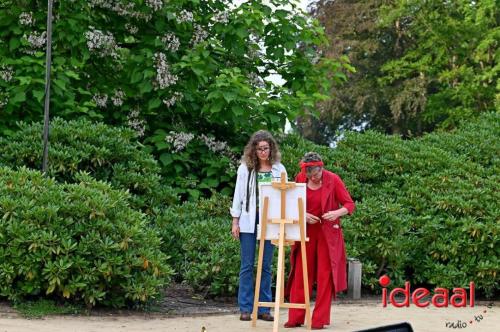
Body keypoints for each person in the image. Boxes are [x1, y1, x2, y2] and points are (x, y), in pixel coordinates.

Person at [284, 152, 355, 329]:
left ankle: (319, 319)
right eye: (309, 175)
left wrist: (336, 213)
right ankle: (295, 317)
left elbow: (349, 205)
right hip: (306, 232)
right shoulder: (300, 178)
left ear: (321, 168)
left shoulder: (333, 179)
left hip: (327, 234)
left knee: (325, 276)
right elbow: (291, 203)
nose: (312, 178)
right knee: (301, 274)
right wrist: (303, 215)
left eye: (315, 174)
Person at [230, 130, 287, 322]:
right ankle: (245, 308)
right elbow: (238, 194)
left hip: (270, 220)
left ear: (271, 149)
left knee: (266, 265)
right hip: (248, 218)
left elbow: (285, 196)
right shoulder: (245, 169)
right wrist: (235, 220)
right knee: (247, 265)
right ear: (253, 150)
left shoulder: (279, 169)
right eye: (259, 148)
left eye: (266, 148)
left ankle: (264, 308)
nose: (263, 152)